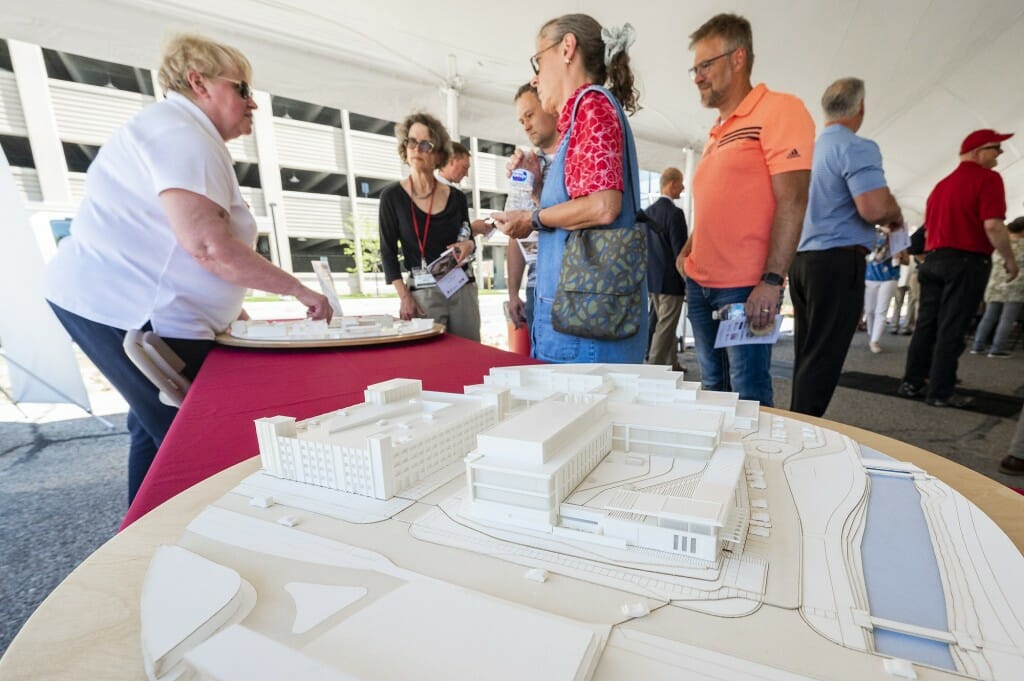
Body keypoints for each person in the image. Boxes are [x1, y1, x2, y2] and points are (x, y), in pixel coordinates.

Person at [43, 34, 332, 503]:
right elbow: (208, 247)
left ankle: (141, 538)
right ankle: (193, 543)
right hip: (129, 311)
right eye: (240, 88)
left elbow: (178, 244)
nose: (252, 102)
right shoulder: (182, 134)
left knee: (153, 431)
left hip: (122, 306)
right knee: (198, 445)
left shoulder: (178, 131)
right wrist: (300, 291)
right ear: (199, 83)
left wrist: (229, 313)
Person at [493, 14, 647, 364]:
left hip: (585, 332)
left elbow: (603, 206)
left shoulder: (591, 105)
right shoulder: (586, 113)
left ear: (567, 49)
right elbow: (583, 206)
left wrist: (532, 219)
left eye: (538, 60)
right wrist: (539, 192)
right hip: (584, 321)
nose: (535, 77)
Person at [676, 13, 814, 405]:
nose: (698, 77)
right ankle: (723, 466)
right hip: (701, 284)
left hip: (745, 287)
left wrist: (772, 281)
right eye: (695, 69)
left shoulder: (780, 110)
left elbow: (793, 198)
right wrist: (688, 252)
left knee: (747, 395)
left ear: (738, 59)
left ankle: (753, 467)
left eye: (706, 65)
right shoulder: (717, 130)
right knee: (714, 391)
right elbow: (721, 201)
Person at [789, 77, 902, 415]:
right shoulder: (855, 146)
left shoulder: (806, 149)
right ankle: (803, 430)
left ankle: (797, 423)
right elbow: (875, 208)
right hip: (837, 261)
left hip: (802, 259)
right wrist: (894, 212)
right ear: (861, 106)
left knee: (807, 352)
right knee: (824, 355)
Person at [898, 129, 1020, 408]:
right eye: (996, 149)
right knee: (953, 325)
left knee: (926, 325)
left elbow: (928, 232)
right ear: (979, 151)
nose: (1000, 155)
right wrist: (1009, 259)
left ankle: (912, 381)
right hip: (967, 261)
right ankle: (941, 390)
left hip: (935, 260)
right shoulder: (989, 179)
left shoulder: (941, 185)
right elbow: (992, 225)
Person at [378, 112, 480, 341]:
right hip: (422, 293)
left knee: (469, 356)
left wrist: (468, 245)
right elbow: (387, 252)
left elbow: (468, 237)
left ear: (439, 154)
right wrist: (404, 296)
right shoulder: (392, 196)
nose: (417, 149)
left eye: (425, 144)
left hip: (460, 285)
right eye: (411, 142)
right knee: (429, 360)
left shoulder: (456, 197)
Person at [507, 84, 559, 332]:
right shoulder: (523, 167)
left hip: (571, 284)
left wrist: (538, 190)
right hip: (536, 286)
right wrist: (513, 292)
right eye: (521, 120)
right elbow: (514, 234)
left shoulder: (575, 158)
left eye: (530, 115)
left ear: (550, 106)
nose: (526, 125)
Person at [645, 167, 688, 370]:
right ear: (671, 184)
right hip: (672, 280)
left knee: (665, 323)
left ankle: (672, 363)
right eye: (681, 183)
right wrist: (687, 281)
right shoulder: (675, 214)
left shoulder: (647, 213)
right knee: (665, 325)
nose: (683, 187)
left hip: (652, 279)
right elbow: (681, 252)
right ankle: (655, 365)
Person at [970, 216, 1024, 358]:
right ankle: (996, 349)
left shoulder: (1000, 242)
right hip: (1015, 286)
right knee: (1007, 319)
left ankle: (977, 346)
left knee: (988, 317)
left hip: (995, 285)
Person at [863, 231, 905, 353]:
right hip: (871, 276)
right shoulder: (872, 234)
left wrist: (899, 256)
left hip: (890, 277)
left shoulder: (899, 238)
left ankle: (874, 340)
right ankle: (871, 334)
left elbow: (906, 260)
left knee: (881, 310)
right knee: (870, 310)